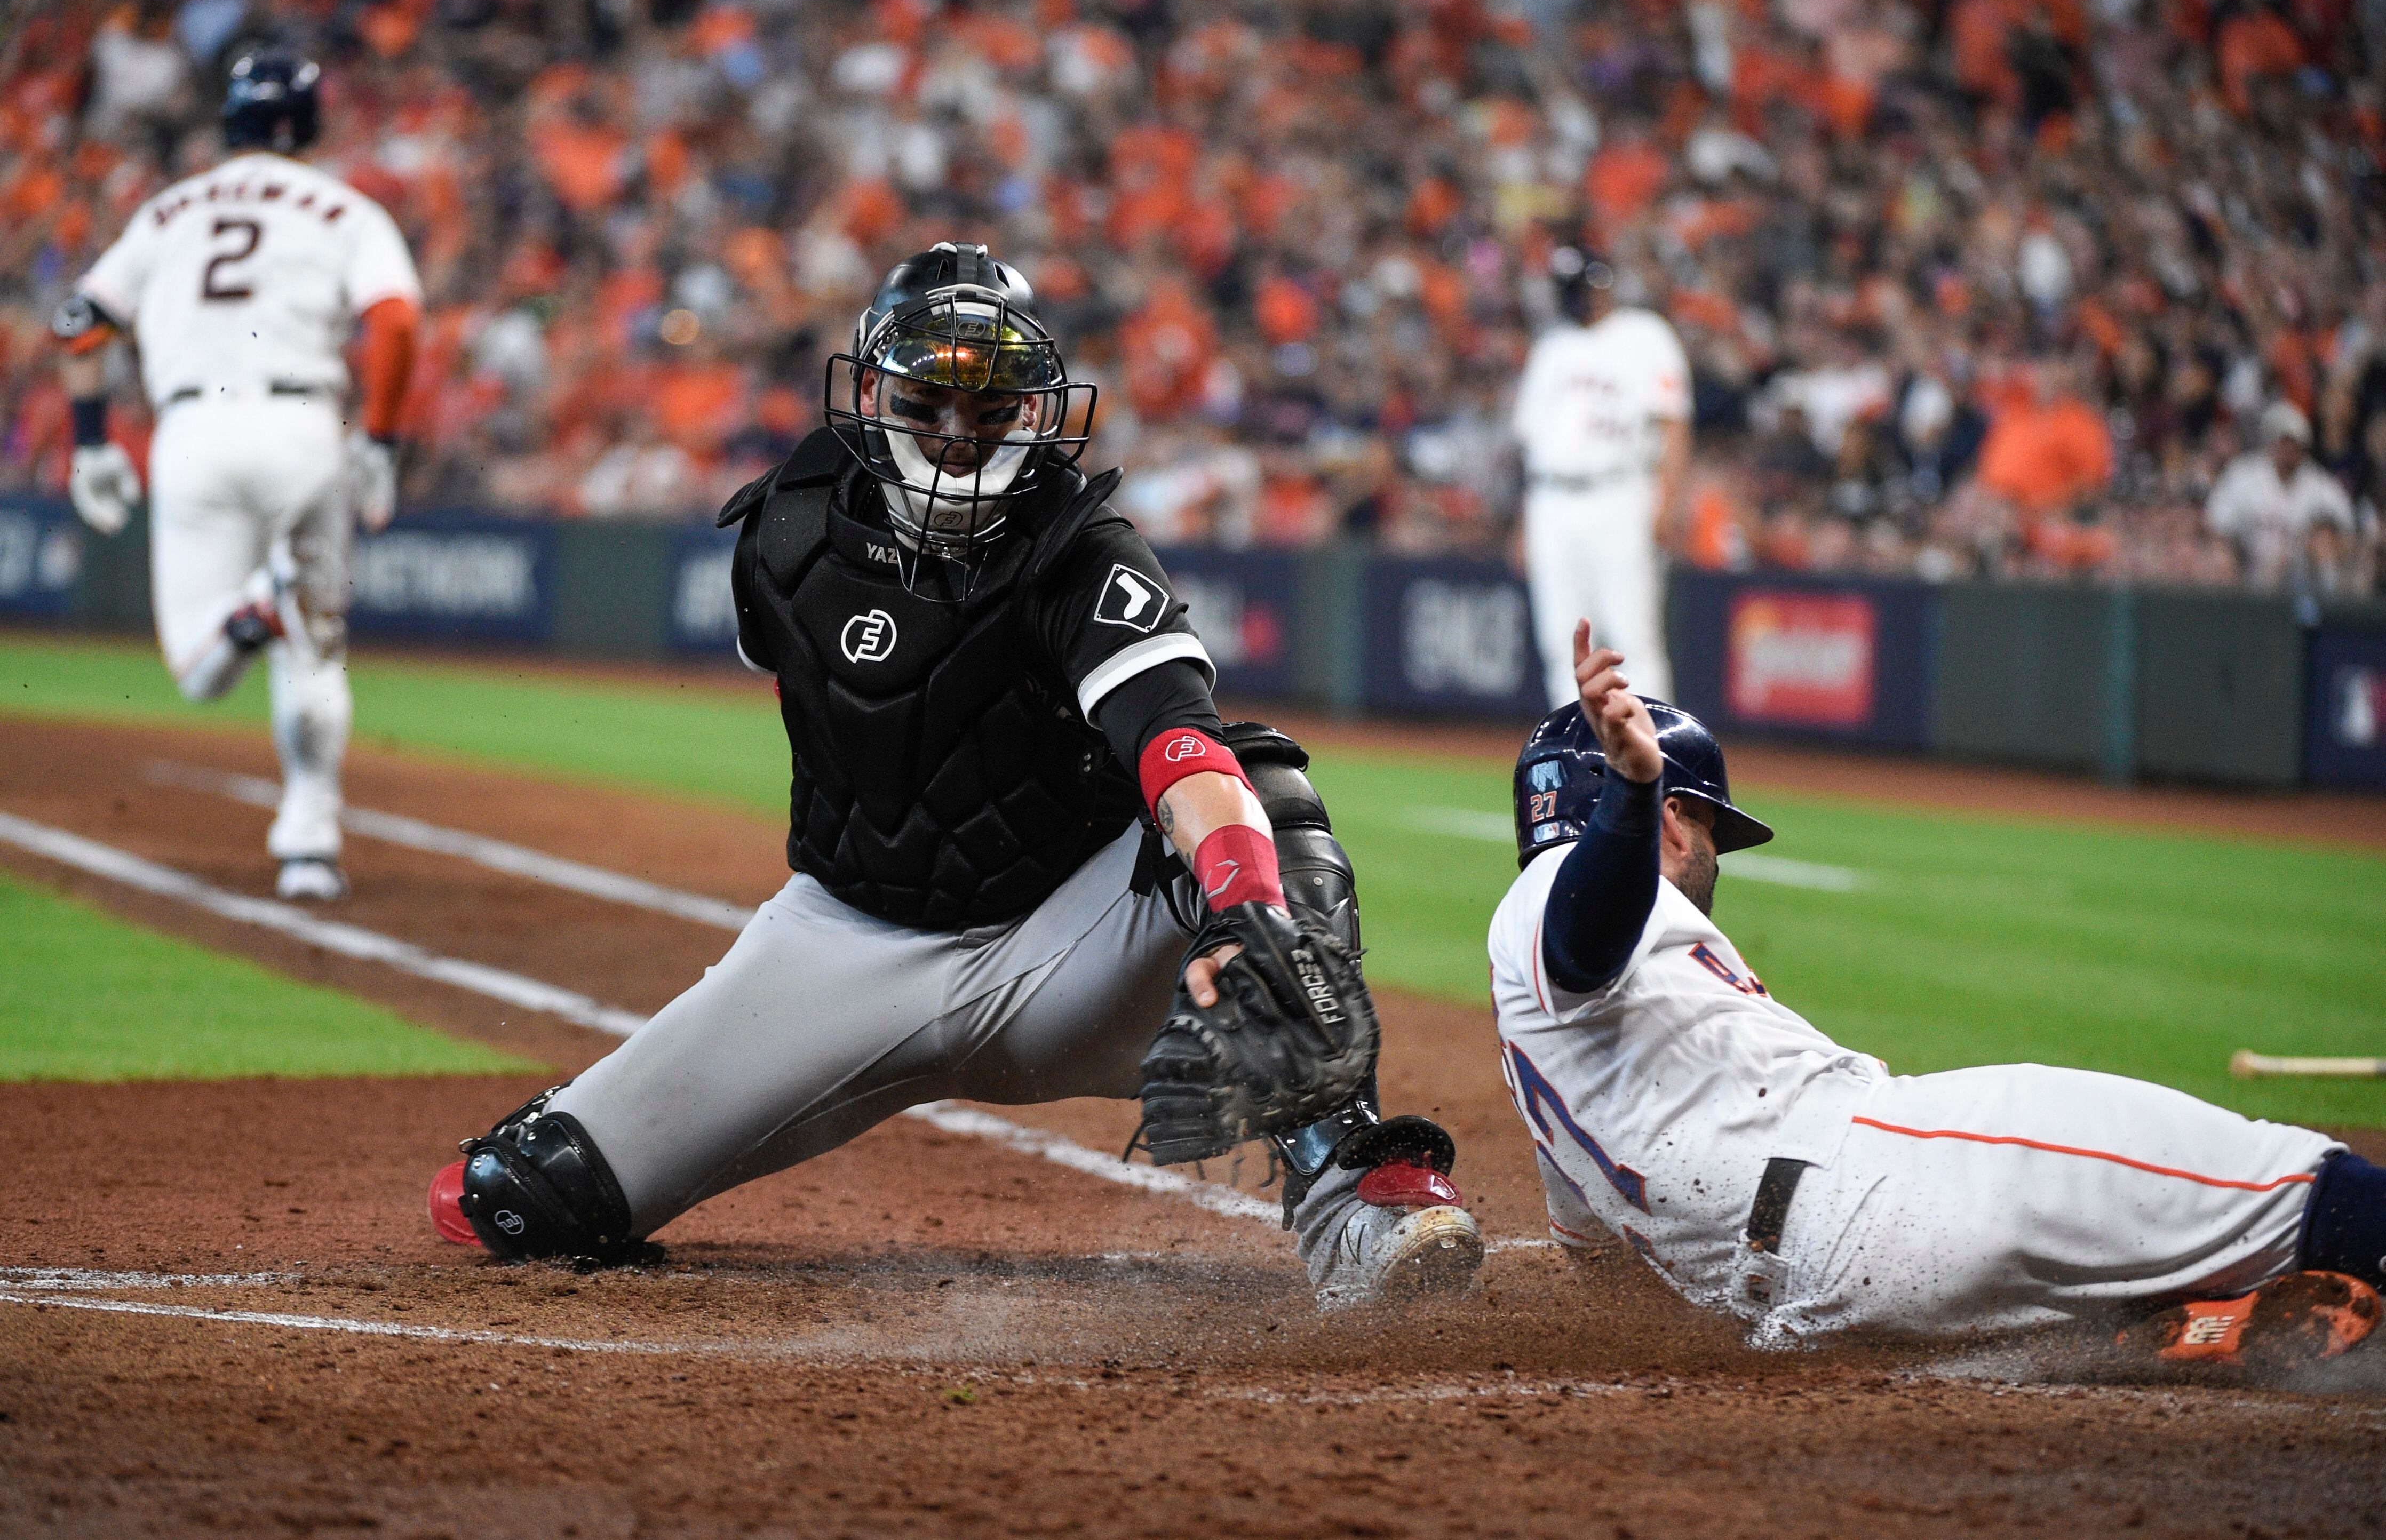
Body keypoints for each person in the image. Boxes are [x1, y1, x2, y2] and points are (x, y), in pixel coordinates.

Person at [426, 244, 1485, 1307]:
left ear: (1036, 412)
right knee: (525, 1199)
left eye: (991, 408)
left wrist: (1248, 906)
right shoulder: (789, 531)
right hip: (837, 943)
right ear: (877, 391)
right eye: (932, 397)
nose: (958, 430)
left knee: (1267, 808)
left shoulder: (1083, 550)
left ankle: (1355, 1195)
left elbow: (1181, 751)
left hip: (1069, 949)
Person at [1485, 620, 2383, 1361]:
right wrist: (1636, 790)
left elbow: (1600, 1268)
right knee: (2292, 1185)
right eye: (1710, 824)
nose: (1715, 852)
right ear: (1675, 824)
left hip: (1813, 1311)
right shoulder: (1559, 899)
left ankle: (2187, 1332)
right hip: (1888, 1185)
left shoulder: (1547, 1075)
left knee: (2080, 1296)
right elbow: (1581, 934)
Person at [54, 51, 420, 901]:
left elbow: (78, 323)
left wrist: (91, 442)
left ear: (232, 120)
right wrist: (381, 442)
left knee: (199, 670)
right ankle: (309, 840)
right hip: (304, 426)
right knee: (319, 651)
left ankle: (259, 607)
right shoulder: (346, 208)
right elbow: (396, 326)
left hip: (196, 428)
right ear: (312, 123)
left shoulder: (168, 212)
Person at [1510, 248, 1689, 707]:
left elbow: (1673, 423)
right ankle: (1576, 763)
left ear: (1605, 284)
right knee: (1561, 640)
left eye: (1585, 287)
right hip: (1551, 498)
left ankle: (1654, 761)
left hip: (1619, 493)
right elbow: (1531, 445)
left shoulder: (1645, 335)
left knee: (1632, 636)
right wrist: (1524, 519)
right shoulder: (1552, 346)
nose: (1581, 299)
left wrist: (1668, 501)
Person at [2205, 401, 2358, 592]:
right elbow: (2216, 526)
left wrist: (2314, 547)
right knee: (2220, 555)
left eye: (2294, 443)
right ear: (2272, 442)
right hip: (2247, 573)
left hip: (2304, 581)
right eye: (2283, 441)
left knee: (2324, 545)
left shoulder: (2322, 486)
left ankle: (2330, 610)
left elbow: (2348, 535)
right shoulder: (2242, 475)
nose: (2289, 449)